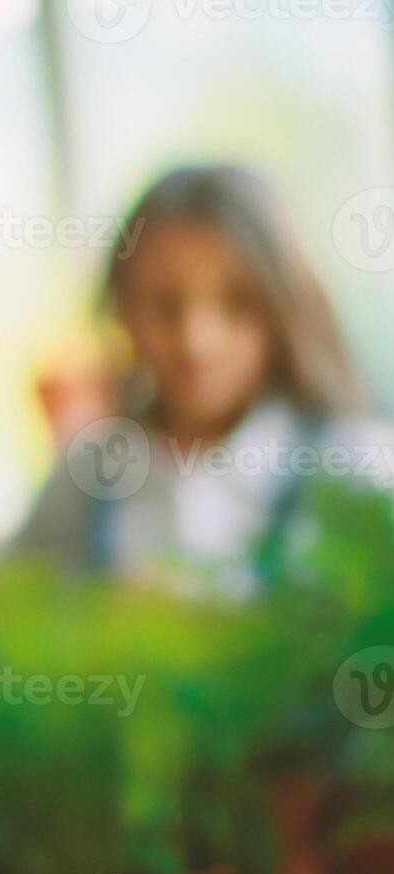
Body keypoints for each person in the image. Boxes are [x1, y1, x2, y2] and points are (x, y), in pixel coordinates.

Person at [20, 164, 391, 596]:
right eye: (165, 304)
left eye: (237, 302)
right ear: (122, 309)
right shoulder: (87, 471)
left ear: (284, 308)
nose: (197, 341)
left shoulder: (359, 466)